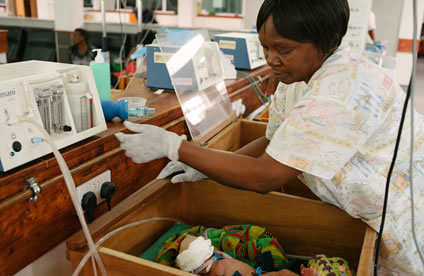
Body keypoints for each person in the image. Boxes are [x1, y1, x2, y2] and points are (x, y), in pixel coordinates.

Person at [115, 0, 424, 275]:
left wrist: (177, 147)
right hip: (368, 212)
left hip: (403, 217)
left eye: (282, 49)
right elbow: (273, 140)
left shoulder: (341, 89)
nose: (271, 59)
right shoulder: (296, 78)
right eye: (265, 47)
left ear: (324, 42)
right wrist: (206, 165)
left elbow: (266, 176)